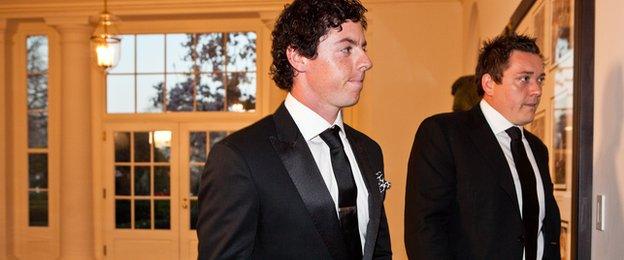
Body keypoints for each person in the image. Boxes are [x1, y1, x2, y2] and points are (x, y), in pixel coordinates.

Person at [196, 0, 392, 259]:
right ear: (298, 56)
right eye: (347, 49)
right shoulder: (239, 158)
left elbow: (378, 250)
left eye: (363, 48)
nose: (366, 61)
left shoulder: (369, 150)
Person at [404, 34, 561, 259]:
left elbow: (544, 229)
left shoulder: (537, 149)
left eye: (540, 79)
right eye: (525, 79)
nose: (537, 90)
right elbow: (425, 231)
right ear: (489, 83)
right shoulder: (443, 134)